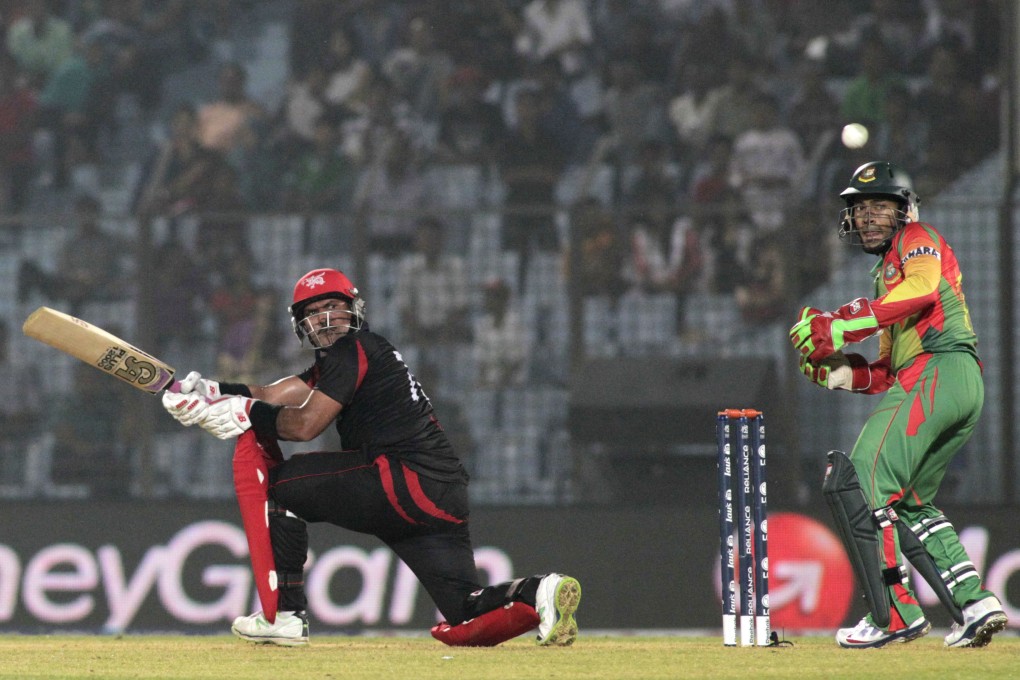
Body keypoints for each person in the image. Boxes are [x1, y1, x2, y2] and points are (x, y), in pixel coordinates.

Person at [161, 267, 581, 647]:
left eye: (333, 307)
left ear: (353, 311)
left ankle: (285, 616)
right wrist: (212, 391)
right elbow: (272, 394)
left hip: (404, 477)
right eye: (314, 311)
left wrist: (244, 412)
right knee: (464, 609)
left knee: (280, 487)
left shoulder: (353, 348)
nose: (325, 318)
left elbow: (305, 425)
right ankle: (540, 591)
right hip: (442, 493)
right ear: (300, 323)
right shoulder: (345, 360)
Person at [789, 161, 1007, 649]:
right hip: (952, 382)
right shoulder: (883, 279)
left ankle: (893, 615)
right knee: (908, 504)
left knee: (860, 480)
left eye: (878, 208)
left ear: (903, 210)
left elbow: (924, 286)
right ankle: (974, 604)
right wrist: (839, 372)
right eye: (860, 209)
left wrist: (844, 325)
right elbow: (887, 370)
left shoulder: (917, 238)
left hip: (940, 369)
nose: (867, 218)